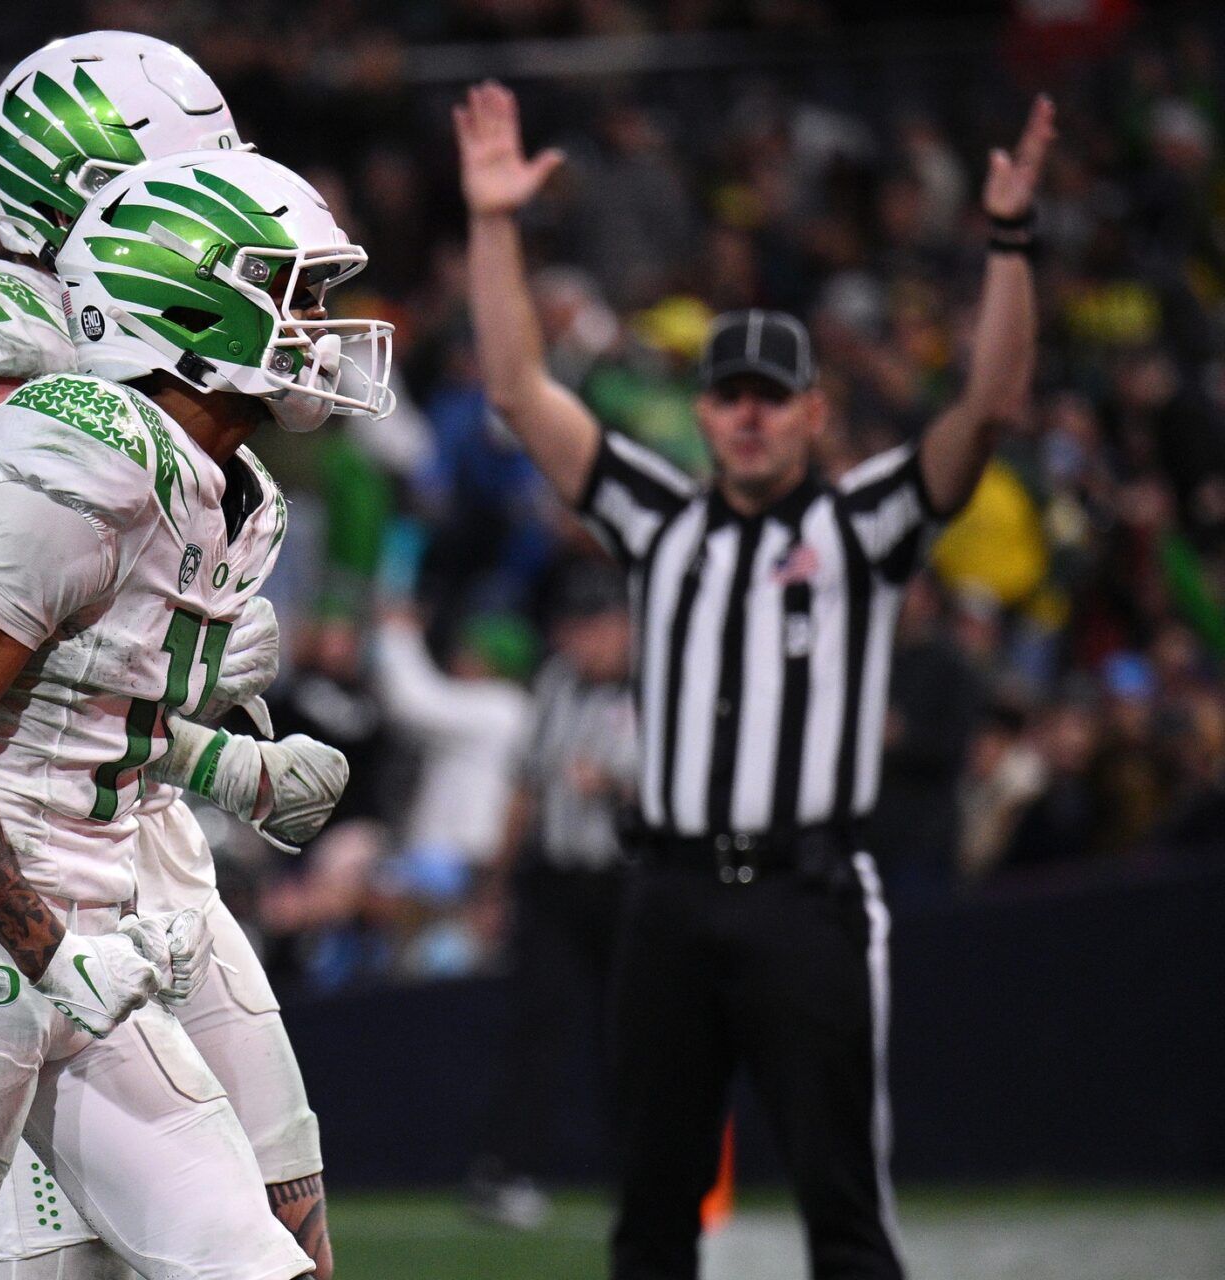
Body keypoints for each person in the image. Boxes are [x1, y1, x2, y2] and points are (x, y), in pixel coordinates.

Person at [454, 81, 1053, 1279]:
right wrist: (493, 222)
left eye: (771, 399)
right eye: (728, 395)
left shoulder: (864, 524)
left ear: (813, 415)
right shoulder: (657, 516)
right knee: (652, 1214)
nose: (746, 417)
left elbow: (988, 403)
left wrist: (1005, 241)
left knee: (843, 1211)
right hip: (666, 900)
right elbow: (521, 392)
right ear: (703, 408)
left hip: (806, 897)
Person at [0, 148, 391, 1280]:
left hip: (103, 944)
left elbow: (89, 714)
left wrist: (239, 771)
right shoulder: (88, 443)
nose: (320, 326)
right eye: (294, 292)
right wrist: (44, 943)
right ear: (190, 298)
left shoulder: (227, 486)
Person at [467, 565, 639, 1229]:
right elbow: (525, 788)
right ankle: (508, 1170)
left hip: (630, 885)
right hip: (558, 882)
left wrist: (617, 784)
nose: (583, 642)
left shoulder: (659, 690)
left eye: (595, 627)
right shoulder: (558, 685)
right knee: (538, 1025)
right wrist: (495, 881)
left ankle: (644, 1173)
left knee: (634, 1034)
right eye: (575, 628)